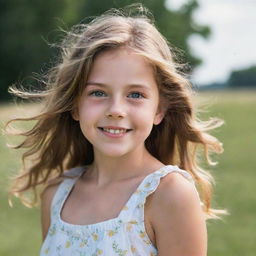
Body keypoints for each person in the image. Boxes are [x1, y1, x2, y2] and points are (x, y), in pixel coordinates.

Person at [7, 4, 227, 256]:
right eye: (98, 92)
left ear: (160, 110)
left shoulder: (169, 194)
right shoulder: (57, 194)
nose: (116, 110)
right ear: (75, 105)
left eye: (135, 94)